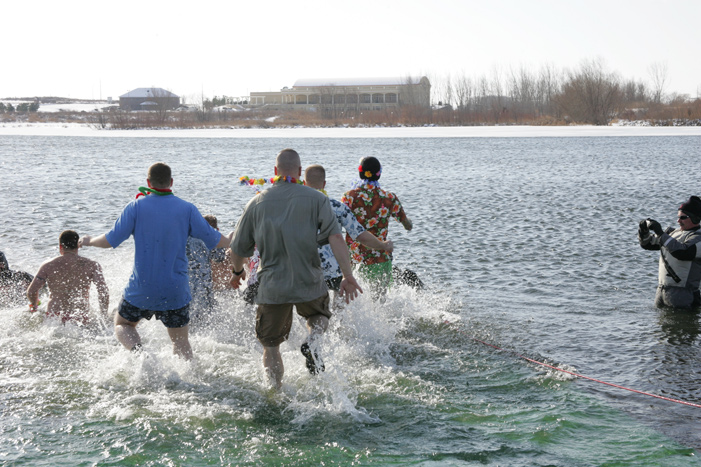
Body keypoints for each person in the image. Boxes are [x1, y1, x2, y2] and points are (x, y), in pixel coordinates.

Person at [228, 149, 363, 389]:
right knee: (319, 316)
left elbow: (238, 250)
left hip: (272, 286)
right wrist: (348, 275)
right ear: (300, 172)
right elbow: (336, 237)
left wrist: (237, 273)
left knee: (270, 346)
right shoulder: (317, 199)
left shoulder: (256, 202)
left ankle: (275, 391)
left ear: (275, 172)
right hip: (309, 280)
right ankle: (313, 339)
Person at [80, 162, 232, 359]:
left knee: (122, 324)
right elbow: (217, 240)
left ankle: (142, 356)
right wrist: (232, 240)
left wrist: (89, 240)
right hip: (175, 290)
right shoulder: (187, 209)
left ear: (147, 182)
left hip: (141, 289)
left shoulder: (135, 207)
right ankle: (188, 380)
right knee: (180, 341)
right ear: (171, 182)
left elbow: (110, 240)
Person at [304, 164, 394, 296]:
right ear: (324, 184)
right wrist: (382, 245)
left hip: (305, 267)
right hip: (333, 268)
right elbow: (360, 235)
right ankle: (339, 317)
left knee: (308, 306)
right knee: (338, 302)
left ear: (304, 184)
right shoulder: (337, 207)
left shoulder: (294, 207)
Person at [342, 156, 413, 296]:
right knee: (379, 302)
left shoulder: (349, 197)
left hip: (354, 260)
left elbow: (337, 222)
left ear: (360, 173)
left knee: (353, 301)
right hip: (380, 257)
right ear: (379, 174)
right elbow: (407, 225)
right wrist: (408, 223)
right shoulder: (389, 198)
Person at [26, 230, 109, 325]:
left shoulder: (48, 265)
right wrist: (104, 316)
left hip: (54, 316)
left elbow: (31, 291)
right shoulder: (92, 265)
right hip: (80, 316)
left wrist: (34, 306)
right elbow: (103, 291)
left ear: (60, 246)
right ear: (78, 246)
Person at [639, 195, 701, 309]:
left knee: (683, 326)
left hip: (684, 295)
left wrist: (660, 233)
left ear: (695, 218)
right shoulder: (673, 233)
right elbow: (647, 244)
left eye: (683, 217)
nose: (678, 221)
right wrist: (643, 231)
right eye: (678, 217)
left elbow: (682, 252)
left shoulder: (698, 238)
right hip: (662, 290)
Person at [187, 214, 227, 324]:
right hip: (204, 281)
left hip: (187, 280)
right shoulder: (213, 237)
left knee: (188, 309)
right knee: (206, 310)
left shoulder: (188, 237)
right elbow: (219, 258)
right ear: (216, 228)